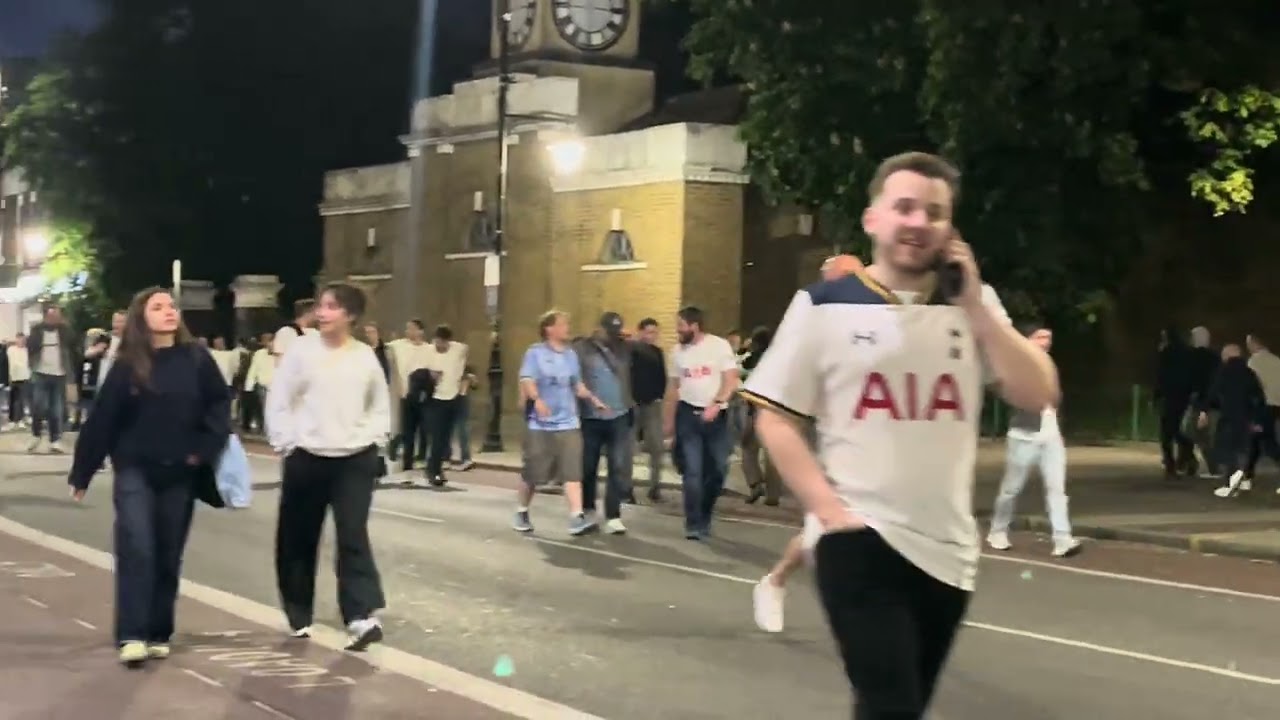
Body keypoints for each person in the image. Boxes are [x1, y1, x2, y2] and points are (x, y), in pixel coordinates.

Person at [743, 151, 1058, 719]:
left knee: (896, 706)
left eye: (935, 212)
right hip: (857, 540)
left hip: (947, 548)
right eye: (905, 207)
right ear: (873, 219)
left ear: (950, 228)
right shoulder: (823, 305)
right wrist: (829, 512)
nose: (918, 222)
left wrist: (977, 308)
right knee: (892, 706)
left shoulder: (973, 306)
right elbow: (774, 416)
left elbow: (1038, 393)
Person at [66, 287, 231, 666]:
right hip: (135, 469)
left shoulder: (196, 358)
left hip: (181, 471)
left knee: (168, 552)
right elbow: (103, 420)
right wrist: (83, 471)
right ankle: (132, 634)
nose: (169, 311)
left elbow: (219, 405)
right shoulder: (128, 363)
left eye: (172, 305)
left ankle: (159, 630)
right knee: (137, 546)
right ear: (142, 318)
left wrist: (203, 450)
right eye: (158, 307)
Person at [266, 283, 391, 651]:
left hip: (354, 459)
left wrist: (373, 439)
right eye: (321, 306)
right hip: (306, 456)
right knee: (298, 537)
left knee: (353, 535)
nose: (322, 313)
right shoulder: (301, 352)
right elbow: (280, 400)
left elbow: (379, 405)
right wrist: (287, 442)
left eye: (332, 307)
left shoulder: (365, 356)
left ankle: (359, 615)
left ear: (350, 316)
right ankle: (298, 610)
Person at [986, 325, 1082, 557]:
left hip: (1050, 431)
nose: (1046, 342)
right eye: (1040, 337)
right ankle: (997, 530)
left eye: (1049, 337)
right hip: (1024, 434)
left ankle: (1062, 538)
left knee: (1057, 487)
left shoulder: (1049, 363)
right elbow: (1000, 387)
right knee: (1011, 488)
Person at [512, 310, 607, 536]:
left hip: (569, 422)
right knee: (533, 474)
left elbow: (577, 385)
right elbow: (527, 379)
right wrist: (536, 400)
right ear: (549, 329)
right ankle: (522, 511)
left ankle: (576, 518)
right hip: (541, 425)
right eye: (563, 324)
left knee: (572, 473)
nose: (567, 327)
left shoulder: (570, 355)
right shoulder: (535, 353)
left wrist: (594, 400)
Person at [663, 306, 739, 540]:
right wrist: (668, 423)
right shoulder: (677, 352)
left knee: (717, 470)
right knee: (692, 472)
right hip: (687, 415)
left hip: (716, 417)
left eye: (681, 325)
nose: (678, 330)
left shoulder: (718, 346)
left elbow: (731, 380)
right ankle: (694, 524)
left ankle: (705, 513)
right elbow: (673, 389)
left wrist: (716, 404)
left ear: (694, 326)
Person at [574, 312, 635, 534]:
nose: (612, 336)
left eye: (616, 332)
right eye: (609, 331)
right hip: (590, 417)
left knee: (617, 467)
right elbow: (574, 378)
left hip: (619, 415)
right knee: (588, 466)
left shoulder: (625, 348)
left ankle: (613, 515)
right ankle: (588, 508)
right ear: (598, 328)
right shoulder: (582, 348)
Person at [420, 324, 468, 487]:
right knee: (438, 437)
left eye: (443, 342)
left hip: (452, 398)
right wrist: (430, 375)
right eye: (438, 342)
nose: (440, 345)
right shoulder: (428, 352)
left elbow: (465, 352)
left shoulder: (457, 350)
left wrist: (464, 381)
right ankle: (432, 470)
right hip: (434, 400)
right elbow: (419, 371)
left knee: (446, 438)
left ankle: (436, 468)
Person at [26, 305, 77, 453]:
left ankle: (55, 440)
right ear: (46, 317)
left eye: (57, 316)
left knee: (57, 409)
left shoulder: (65, 330)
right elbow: (31, 347)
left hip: (59, 374)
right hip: (40, 372)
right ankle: (36, 434)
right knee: (38, 405)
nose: (55, 319)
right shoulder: (37, 330)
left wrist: (71, 373)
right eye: (52, 316)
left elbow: (73, 348)